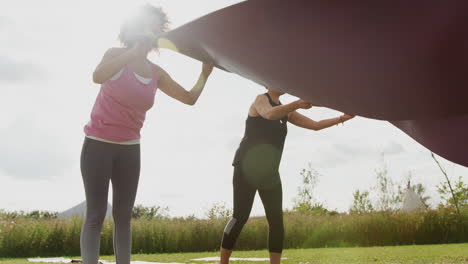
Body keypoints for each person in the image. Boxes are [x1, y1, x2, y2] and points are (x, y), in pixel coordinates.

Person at [80, 5, 213, 264]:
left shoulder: (155, 73)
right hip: (97, 144)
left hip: (130, 149)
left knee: (123, 216)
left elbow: (189, 98)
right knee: (95, 214)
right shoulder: (115, 54)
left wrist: (203, 76)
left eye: (154, 27)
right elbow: (98, 76)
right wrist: (132, 53)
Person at [219, 88, 354, 264]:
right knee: (240, 216)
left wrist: (342, 118)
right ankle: (223, 262)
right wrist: (297, 103)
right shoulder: (261, 99)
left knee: (276, 222)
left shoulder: (286, 112)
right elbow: (269, 114)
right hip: (247, 167)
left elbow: (315, 125)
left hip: (270, 172)